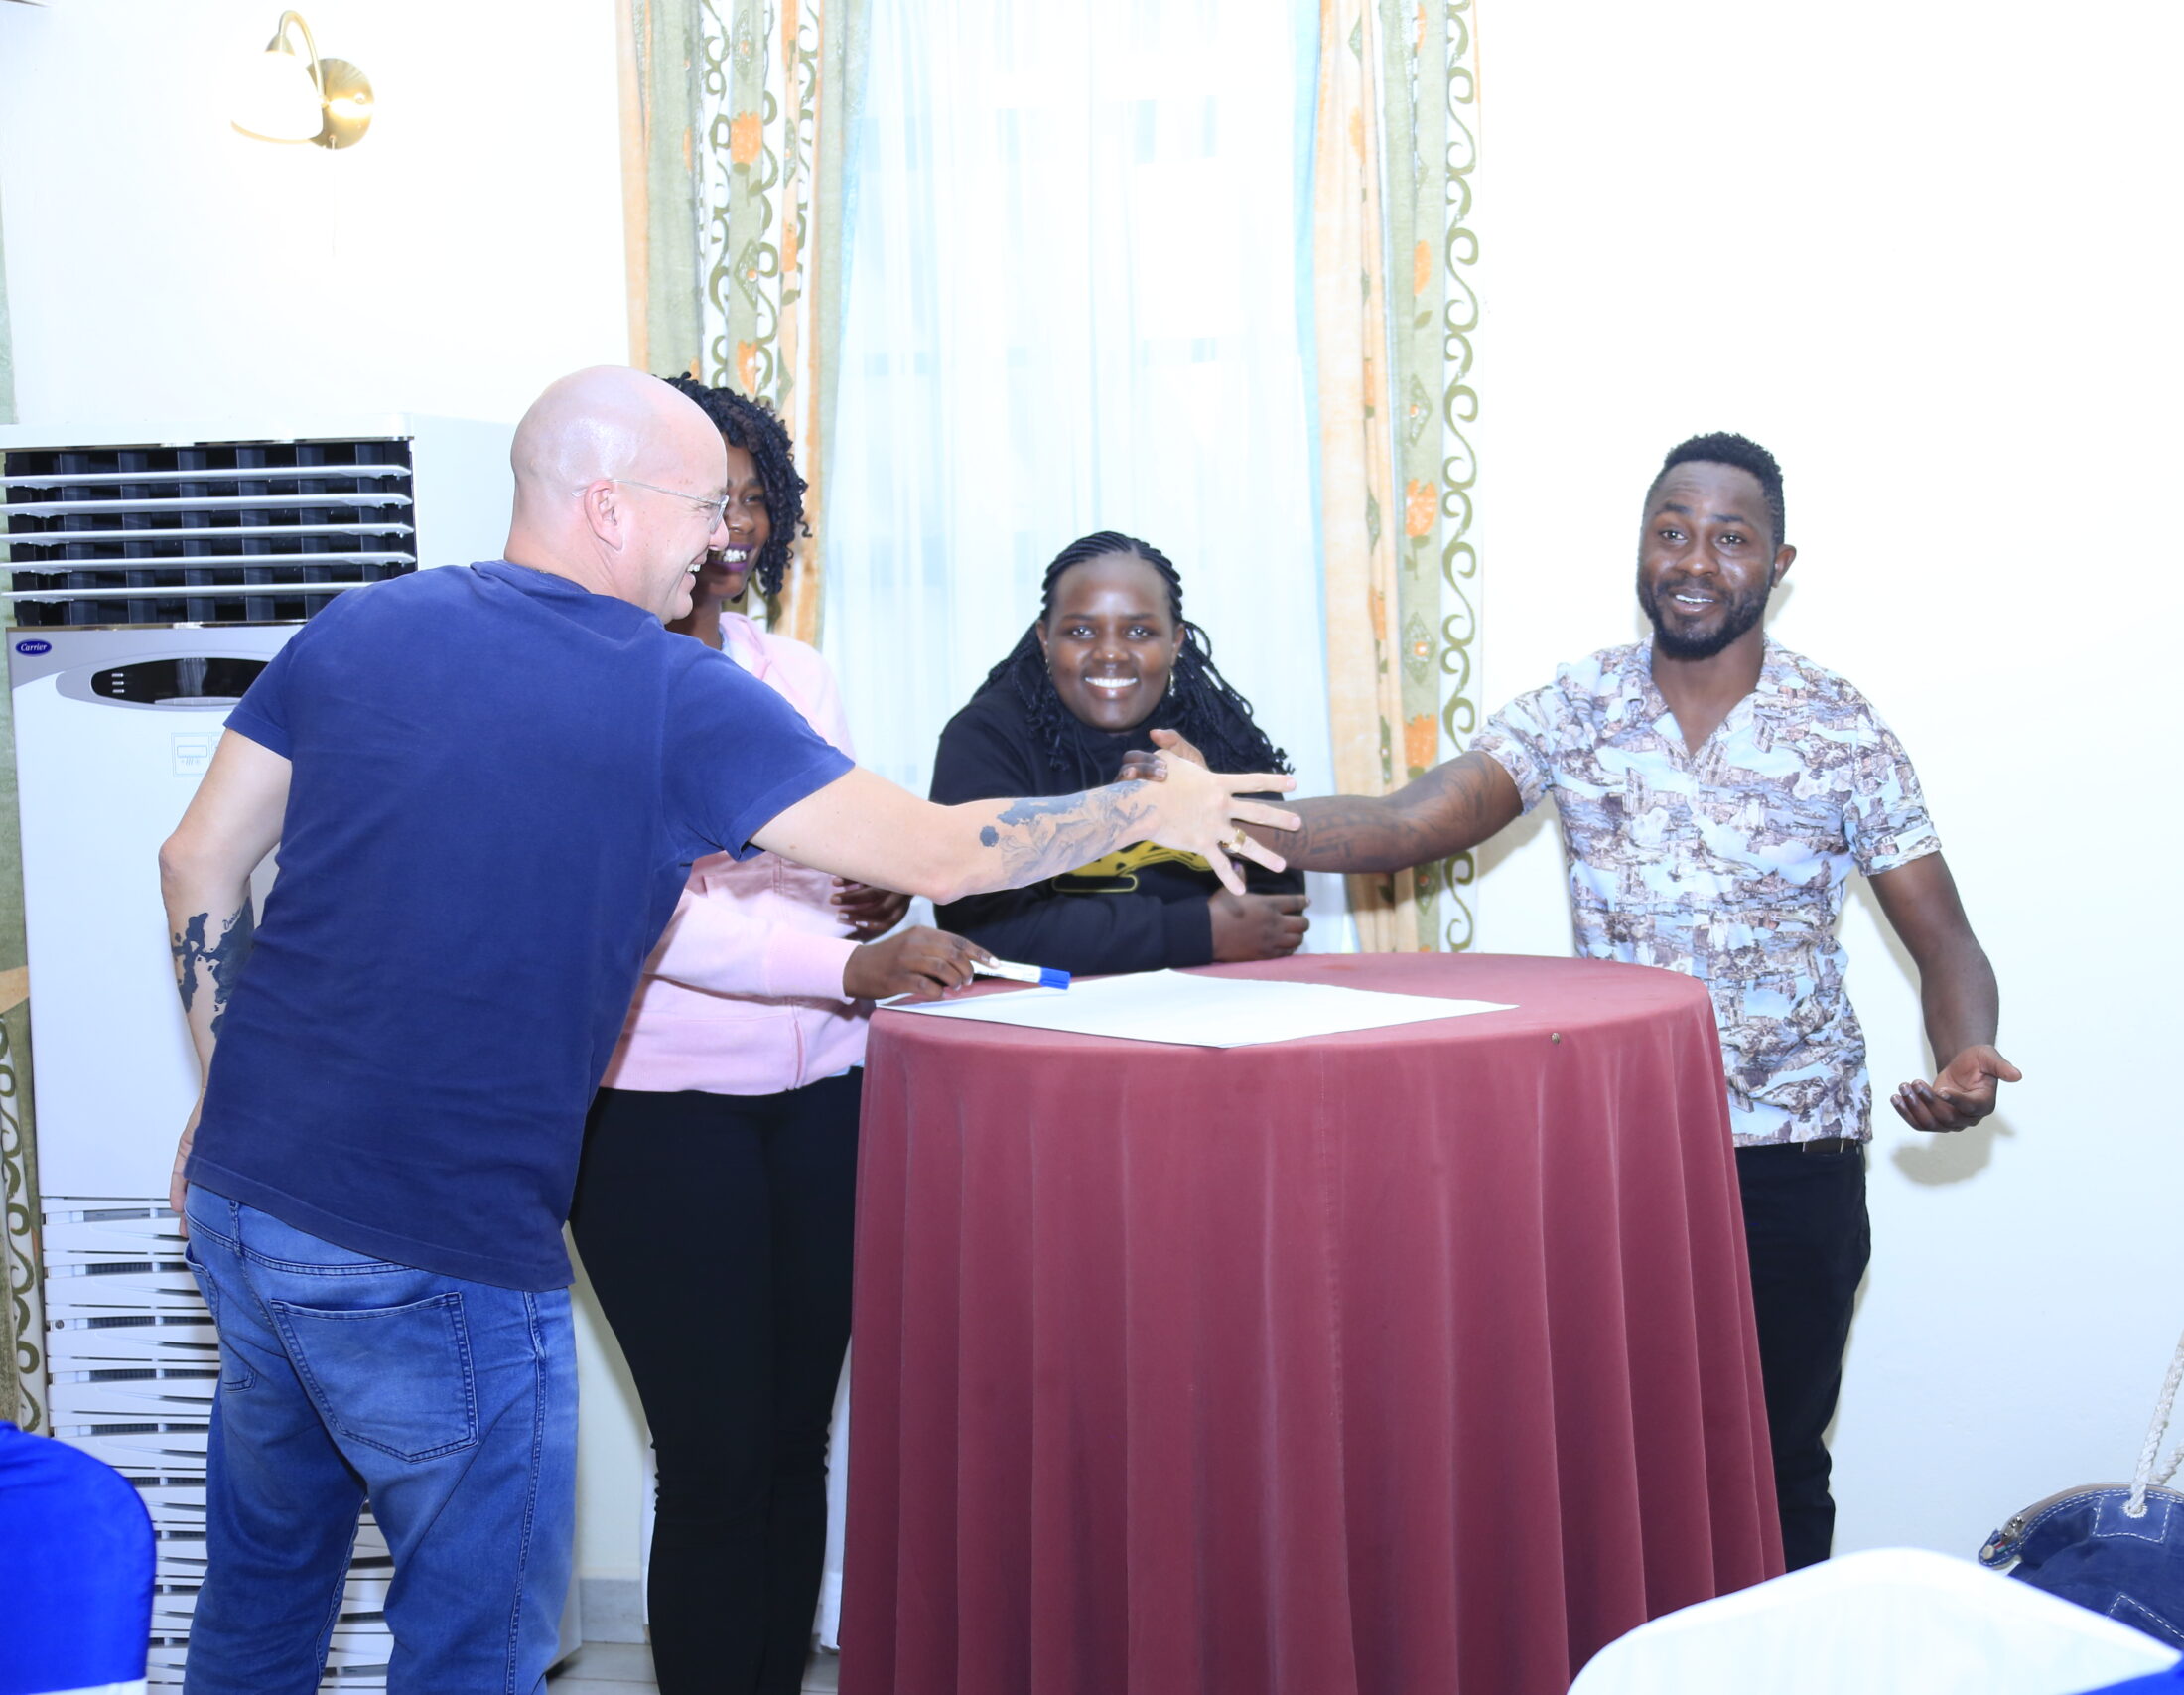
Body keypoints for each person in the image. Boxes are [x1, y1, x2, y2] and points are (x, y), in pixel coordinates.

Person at [157, 366, 1295, 1693]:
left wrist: (226, 1084)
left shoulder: (363, 622)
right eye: (702, 508)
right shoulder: (662, 689)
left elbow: (197, 861)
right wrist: (1149, 808)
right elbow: (939, 849)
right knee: (473, 1643)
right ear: (607, 505)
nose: (718, 542)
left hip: (249, 1193)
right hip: (438, 1235)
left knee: (264, 1590)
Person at [1161, 432, 2018, 1570]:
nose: (1695, 560)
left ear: (1777, 563)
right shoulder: (1578, 707)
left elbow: (1945, 940)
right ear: (1641, 548)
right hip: (1617, 1155)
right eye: (1671, 531)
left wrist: (1968, 1053)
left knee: (1773, 1467)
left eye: (1729, 537)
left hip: (1790, 1164)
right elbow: (1413, 821)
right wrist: (1227, 814)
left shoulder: (1838, 727)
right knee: (1610, 1467)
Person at [568, 378, 916, 1693]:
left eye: (753, 497)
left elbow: (828, 856)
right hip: (656, 1113)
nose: (733, 525)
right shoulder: (596, 680)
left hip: (824, 1093)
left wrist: (877, 890)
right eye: (709, 496)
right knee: (714, 1459)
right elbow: (653, 916)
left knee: (790, 1447)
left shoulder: (795, 673)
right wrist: (849, 955)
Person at [930, 531, 1309, 973]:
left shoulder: (1218, 735)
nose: (1110, 653)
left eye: (1139, 631)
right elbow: (983, 929)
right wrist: (1198, 931)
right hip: (1044, 1007)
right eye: (1081, 631)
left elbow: (1276, 912)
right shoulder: (988, 738)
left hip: (1206, 998)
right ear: (1045, 639)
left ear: (1176, 642)